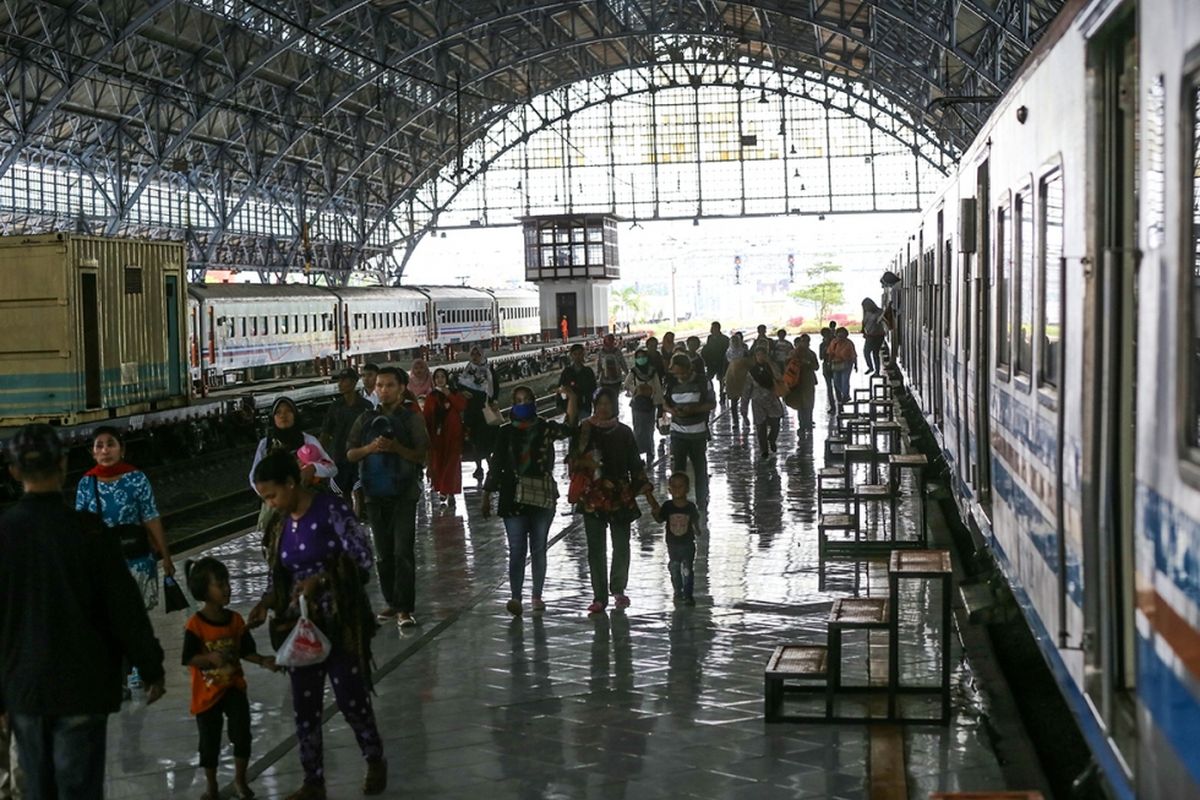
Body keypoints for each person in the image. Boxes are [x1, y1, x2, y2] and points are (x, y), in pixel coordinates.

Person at [0, 424, 166, 800]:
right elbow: (124, 607)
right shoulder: (88, 531)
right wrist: (150, 665)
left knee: (38, 788)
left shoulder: (5, 533)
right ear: (62, 465)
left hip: (25, 687)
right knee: (79, 790)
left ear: (13, 472)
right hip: (83, 685)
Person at [248, 453, 386, 800]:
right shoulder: (281, 524)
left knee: (350, 697)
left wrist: (323, 579)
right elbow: (278, 574)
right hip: (301, 629)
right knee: (304, 704)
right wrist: (265, 603)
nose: (270, 503)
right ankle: (313, 781)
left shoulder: (330, 510)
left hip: (340, 622)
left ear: (291, 484)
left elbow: (363, 558)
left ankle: (374, 757)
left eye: (272, 495)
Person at [74, 426, 174, 695]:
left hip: (137, 560)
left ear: (122, 449)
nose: (105, 450)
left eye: (110, 444)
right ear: (92, 452)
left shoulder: (136, 479)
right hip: (101, 564)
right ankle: (118, 674)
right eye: (99, 445)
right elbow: (80, 526)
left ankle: (134, 672)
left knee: (134, 617)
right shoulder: (86, 483)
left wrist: (165, 555)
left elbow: (150, 516)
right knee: (107, 620)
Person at [183, 558, 276, 800]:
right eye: (219, 584)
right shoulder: (195, 625)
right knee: (209, 742)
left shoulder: (235, 620)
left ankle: (240, 780)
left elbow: (246, 650)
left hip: (233, 687)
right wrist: (210, 659)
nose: (227, 588)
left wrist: (264, 660)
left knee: (242, 733)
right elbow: (189, 658)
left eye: (227, 583)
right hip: (206, 694)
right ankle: (211, 786)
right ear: (204, 591)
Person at [482, 385, 579, 616]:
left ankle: (536, 595)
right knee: (516, 549)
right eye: (518, 400)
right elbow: (495, 466)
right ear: (513, 405)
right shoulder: (505, 432)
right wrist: (486, 494)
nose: (523, 404)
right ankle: (516, 597)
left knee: (538, 548)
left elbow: (570, 428)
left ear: (534, 402)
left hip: (541, 496)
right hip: (511, 496)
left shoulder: (545, 428)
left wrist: (572, 398)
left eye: (527, 400)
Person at [347, 367, 429, 627]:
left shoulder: (412, 419)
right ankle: (393, 602)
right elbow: (350, 454)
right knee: (383, 553)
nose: (383, 390)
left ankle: (405, 607)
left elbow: (421, 455)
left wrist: (396, 448)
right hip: (374, 494)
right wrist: (370, 448)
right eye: (380, 385)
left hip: (404, 493)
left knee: (403, 550)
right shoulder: (365, 419)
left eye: (389, 385)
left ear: (401, 388)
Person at [572, 388, 650, 614]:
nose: (604, 407)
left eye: (608, 403)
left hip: (619, 494)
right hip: (593, 495)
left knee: (621, 545)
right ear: (595, 405)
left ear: (614, 406)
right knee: (596, 548)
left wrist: (644, 491)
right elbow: (574, 459)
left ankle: (618, 588)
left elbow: (635, 464)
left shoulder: (624, 432)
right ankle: (599, 596)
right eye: (600, 403)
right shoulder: (585, 429)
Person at [663, 354, 717, 506]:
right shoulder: (670, 382)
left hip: (697, 433)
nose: (681, 376)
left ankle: (702, 500)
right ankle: (678, 501)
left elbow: (712, 403)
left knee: (700, 467)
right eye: (677, 373)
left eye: (683, 373)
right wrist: (673, 411)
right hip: (677, 432)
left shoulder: (703, 381)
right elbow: (664, 403)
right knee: (678, 469)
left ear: (689, 369)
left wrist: (695, 409)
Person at [644, 473, 701, 606]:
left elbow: (694, 521)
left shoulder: (690, 507)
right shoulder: (668, 506)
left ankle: (688, 594)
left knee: (687, 568)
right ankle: (678, 590)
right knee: (674, 567)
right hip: (673, 545)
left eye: (680, 486)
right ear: (669, 489)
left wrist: (697, 530)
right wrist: (651, 504)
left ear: (687, 489)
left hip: (688, 544)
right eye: (673, 487)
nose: (676, 489)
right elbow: (659, 518)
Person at [320, 369, 373, 499]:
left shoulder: (366, 406)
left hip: (358, 456)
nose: (340, 384)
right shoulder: (335, 406)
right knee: (343, 492)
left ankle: (358, 517)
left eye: (344, 380)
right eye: (339, 380)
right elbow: (326, 432)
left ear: (354, 382)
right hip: (339, 456)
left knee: (359, 492)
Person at [423, 368, 467, 507]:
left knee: (452, 463)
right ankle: (444, 489)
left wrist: (450, 395)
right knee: (439, 462)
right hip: (438, 436)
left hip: (453, 434)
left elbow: (461, 406)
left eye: (442, 376)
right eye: (437, 377)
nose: (440, 380)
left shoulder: (454, 392)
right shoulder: (432, 396)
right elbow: (428, 417)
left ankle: (449, 489)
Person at [458, 346, 499, 480]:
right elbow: (460, 385)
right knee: (474, 439)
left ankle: (490, 464)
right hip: (472, 409)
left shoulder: (489, 368)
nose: (475, 356)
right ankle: (479, 467)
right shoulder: (468, 369)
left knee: (487, 438)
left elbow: (495, 385)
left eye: (477, 354)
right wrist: (463, 392)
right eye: (473, 354)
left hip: (485, 407)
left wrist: (495, 400)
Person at [743, 346, 785, 460]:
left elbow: (779, 377)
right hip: (758, 402)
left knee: (776, 424)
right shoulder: (751, 372)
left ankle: (772, 439)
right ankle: (764, 450)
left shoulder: (772, 367)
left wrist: (771, 365)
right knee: (760, 427)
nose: (761, 357)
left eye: (763, 355)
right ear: (755, 357)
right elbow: (746, 390)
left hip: (772, 399)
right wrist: (744, 408)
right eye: (758, 355)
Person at [623, 348, 663, 466]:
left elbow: (658, 388)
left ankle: (650, 451)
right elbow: (626, 384)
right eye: (639, 357)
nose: (641, 359)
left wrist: (658, 403)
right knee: (639, 429)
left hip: (650, 404)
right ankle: (638, 452)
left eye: (643, 357)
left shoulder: (653, 371)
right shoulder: (634, 371)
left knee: (649, 429)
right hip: (638, 404)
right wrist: (636, 390)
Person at [787, 335, 820, 432]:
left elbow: (816, 366)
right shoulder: (793, 353)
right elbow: (787, 363)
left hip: (808, 382)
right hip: (796, 382)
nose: (805, 344)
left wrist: (808, 363)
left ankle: (808, 423)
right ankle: (802, 424)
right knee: (800, 404)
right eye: (803, 341)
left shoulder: (811, 354)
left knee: (809, 404)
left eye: (806, 341)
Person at [558, 343, 597, 419]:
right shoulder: (567, 372)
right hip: (570, 405)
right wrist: (560, 404)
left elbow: (593, 389)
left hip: (585, 406)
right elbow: (562, 388)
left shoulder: (588, 371)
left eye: (580, 354)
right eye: (575, 354)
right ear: (571, 356)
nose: (577, 357)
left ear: (583, 355)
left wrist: (594, 403)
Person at [595, 334, 629, 412]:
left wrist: (627, 374)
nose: (610, 342)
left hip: (616, 380)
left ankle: (615, 414)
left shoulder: (618, 352)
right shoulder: (601, 353)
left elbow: (623, 363)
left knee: (614, 398)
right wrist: (598, 375)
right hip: (604, 381)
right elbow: (599, 365)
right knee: (605, 398)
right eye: (608, 340)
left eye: (611, 340)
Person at [700, 322, 730, 401]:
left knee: (721, 379)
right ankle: (712, 393)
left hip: (721, 362)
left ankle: (722, 395)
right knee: (709, 378)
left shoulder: (725, 339)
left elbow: (726, 351)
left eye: (713, 328)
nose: (711, 330)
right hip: (711, 363)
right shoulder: (710, 338)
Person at [828, 327, 858, 403]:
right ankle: (845, 393)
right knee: (836, 381)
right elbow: (830, 353)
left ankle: (846, 395)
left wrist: (855, 364)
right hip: (836, 364)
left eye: (843, 336)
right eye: (839, 336)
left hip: (847, 363)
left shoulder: (849, 343)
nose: (841, 338)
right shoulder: (834, 342)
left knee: (845, 380)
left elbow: (853, 354)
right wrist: (829, 362)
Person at [861, 298, 887, 374]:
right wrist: (863, 331)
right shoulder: (866, 312)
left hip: (878, 335)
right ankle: (870, 367)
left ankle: (877, 371)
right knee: (866, 352)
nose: (864, 308)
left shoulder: (879, 311)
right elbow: (864, 322)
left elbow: (880, 320)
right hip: (870, 335)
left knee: (875, 353)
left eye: (865, 306)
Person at [818, 328, 836, 410]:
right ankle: (833, 406)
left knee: (837, 386)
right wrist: (825, 350)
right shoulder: (822, 345)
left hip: (835, 364)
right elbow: (821, 357)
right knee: (829, 387)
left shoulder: (835, 343)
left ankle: (839, 405)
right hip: (826, 365)